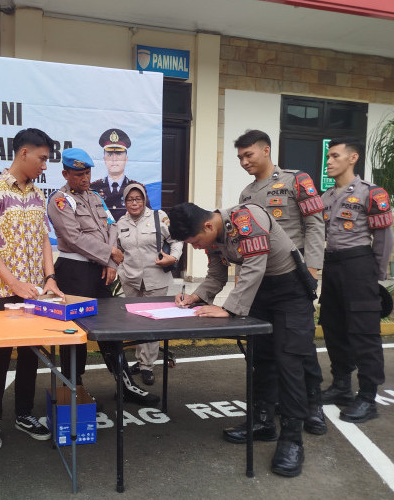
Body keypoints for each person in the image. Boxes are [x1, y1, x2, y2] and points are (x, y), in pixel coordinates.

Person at [170, 202, 318, 477]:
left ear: (208, 226)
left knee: (289, 363)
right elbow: (216, 274)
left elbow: (253, 268)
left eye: (196, 242)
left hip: (290, 292)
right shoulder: (214, 237)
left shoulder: (246, 219)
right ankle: (263, 422)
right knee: (261, 359)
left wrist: (228, 309)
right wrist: (196, 297)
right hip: (260, 293)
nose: (198, 248)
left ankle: (292, 440)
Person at [228, 129, 327, 440]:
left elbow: (315, 224)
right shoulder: (246, 195)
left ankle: (313, 406)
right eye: (240, 157)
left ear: (266, 150)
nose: (244, 162)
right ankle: (264, 415)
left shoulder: (296, 180)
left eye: (249, 155)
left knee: (299, 347)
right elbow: (245, 242)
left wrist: (313, 269)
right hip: (261, 282)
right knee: (263, 352)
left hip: (294, 277)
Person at [0, 128, 64, 450]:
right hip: (2, 291)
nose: (44, 165)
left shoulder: (39, 195)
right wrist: (14, 282)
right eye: (42, 158)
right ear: (24, 152)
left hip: (35, 291)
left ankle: (24, 414)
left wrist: (49, 277)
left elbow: (44, 240)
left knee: (31, 354)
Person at [47, 149, 159, 406]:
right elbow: (73, 238)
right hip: (74, 273)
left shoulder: (96, 197)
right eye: (79, 174)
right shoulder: (60, 201)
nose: (85, 178)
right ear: (65, 174)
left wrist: (109, 261)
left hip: (100, 270)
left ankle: (125, 385)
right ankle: (74, 389)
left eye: (87, 173)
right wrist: (109, 253)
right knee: (74, 334)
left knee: (109, 329)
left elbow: (111, 226)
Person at [319, 137, 393, 423]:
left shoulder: (370, 193)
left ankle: (367, 397)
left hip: (359, 265)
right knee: (333, 327)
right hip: (332, 266)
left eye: (335, 156)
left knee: (364, 333)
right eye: (328, 157)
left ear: (353, 158)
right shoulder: (325, 197)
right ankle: (341, 385)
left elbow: (384, 238)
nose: (329, 161)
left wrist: (376, 276)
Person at [116, 183, 182, 386]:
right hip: (131, 279)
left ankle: (147, 366)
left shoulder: (158, 217)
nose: (134, 203)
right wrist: (120, 271)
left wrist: (173, 257)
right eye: (130, 199)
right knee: (136, 322)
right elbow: (117, 250)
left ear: (144, 200)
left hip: (156, 279)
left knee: (152, 322)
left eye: (138, 198)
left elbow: (176, 239)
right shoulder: (121, 222)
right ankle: (140, 360)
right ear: (125, 202)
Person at [90, 128, 143, 221]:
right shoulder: (93, 188)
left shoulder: (138, 188)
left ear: (126, 159)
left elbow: (146, 216)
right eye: (110, 154)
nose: (114, 159)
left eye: (118, 154)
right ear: (104, 159)